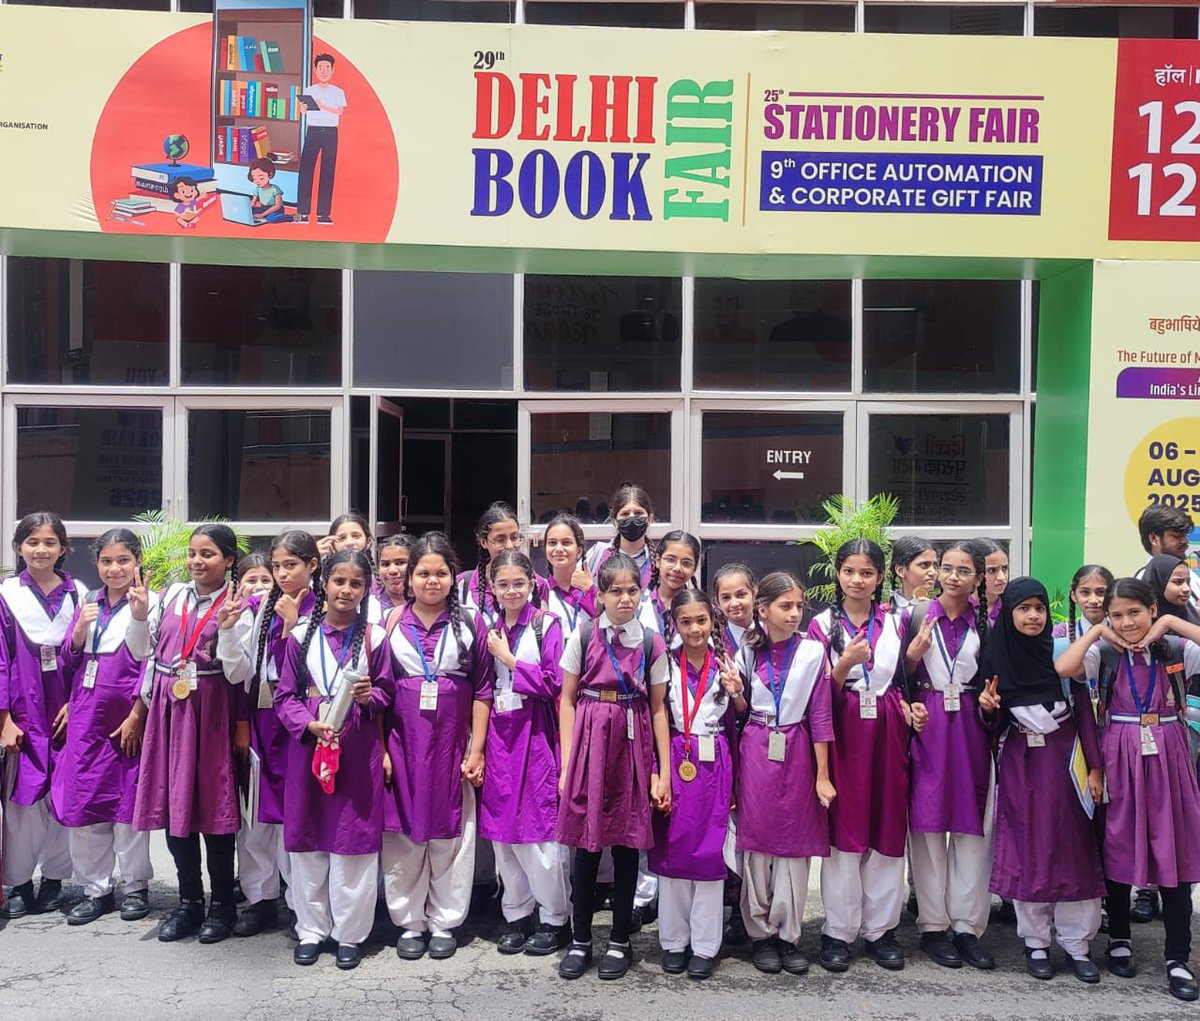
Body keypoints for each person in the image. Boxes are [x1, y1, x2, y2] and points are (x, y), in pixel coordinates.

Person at [1057, 577, 1200, 1001]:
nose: (1127, 622)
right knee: (1119, 844)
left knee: (1176, 850)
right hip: (1119, 755)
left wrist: (1172, 621)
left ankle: (1177, 957)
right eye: (1117, 614)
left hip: (1170, 754)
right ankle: (1119, 938)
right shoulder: (1105, 653)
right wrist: (1100, 631)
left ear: (1151, 609)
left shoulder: (1175, 649)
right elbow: (1065, 669)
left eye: (1135, 612)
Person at [128, 523, 249, 944]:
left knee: (213, 808)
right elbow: (142, 652)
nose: (198, 562)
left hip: (211, 710)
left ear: (229, 561)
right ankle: (188, 902)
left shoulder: (239, 605)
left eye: (209, 554)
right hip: (169, 709)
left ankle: (222, 906)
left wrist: (230, 629)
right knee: (173, 807)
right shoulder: (173, 597)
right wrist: (140, 617)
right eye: (194, 554)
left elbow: (238, 672)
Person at [809, 539, 924, 972]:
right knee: (846, 832)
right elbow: (816, 694)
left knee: (888, 827)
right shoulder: (821, 626)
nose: (858, 580)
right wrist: (844, 665)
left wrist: (913, 693)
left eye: (867, 573)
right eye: (850, 571)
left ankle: (882, 930)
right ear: (837, 574)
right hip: (845, 730)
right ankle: (838, 931)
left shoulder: (897, 621)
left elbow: (904, 679)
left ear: (880, 577)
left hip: (889, 729)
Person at [984, 577, 1106, 983]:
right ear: (1010, 614)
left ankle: (1076, 944)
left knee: (1074, 846)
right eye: (1024, 608)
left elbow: (1085, 714)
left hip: (1066, 760)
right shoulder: (996, 657)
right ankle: (1035, 942)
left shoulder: (1061, 655)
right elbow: (991, 725)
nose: (1033, 616)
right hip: (1023, 763)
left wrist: (1096, 768)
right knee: (1029, 846)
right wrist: (987, 709)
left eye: (1039, 608)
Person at [275, 548, 392, 969]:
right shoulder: (301, 634)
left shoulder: (375, 637)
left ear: (366, 589)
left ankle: (350, 933)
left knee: (352, 842)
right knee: (307, 840)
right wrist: (307, 724)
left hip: (356, 748)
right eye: (338, 581)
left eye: (356, 583)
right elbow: (285, 696)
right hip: (308, 746)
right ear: (323, 583)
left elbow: (387, 693)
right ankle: (311, 928)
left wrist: (369, 696)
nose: (346, 590)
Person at [556, 552, 670, 981]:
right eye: (615, 591)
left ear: (642, 593)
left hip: (631, 743)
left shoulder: (650, 643)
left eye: (632, 590)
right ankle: (581, 938)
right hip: (589, 743)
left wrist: (660, 770)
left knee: (626, 847)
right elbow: (566, 700)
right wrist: (568, 762)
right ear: (599, 594)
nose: (625, 599)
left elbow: (659, 710)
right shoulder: (583, 635)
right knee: (585, 849)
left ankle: (620, 940)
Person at [382, 532, 491, 962]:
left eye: (441, 573)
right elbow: (378, 697)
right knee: (405, 836)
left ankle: (445, 920)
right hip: (402, 743)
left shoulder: (470, 624)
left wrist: (476, 749)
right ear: (408, 579)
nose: (432, 581)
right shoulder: (389, 625)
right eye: (423, 573)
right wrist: (383, 752)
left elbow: (483, 690)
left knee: (452, 836)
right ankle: (409, 921)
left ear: (453, 577)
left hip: (451, 743)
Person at [218, 530, 321, 938]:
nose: (281, 573)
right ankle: (260, 898)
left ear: (312, 565)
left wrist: (294, 629)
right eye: (276, 566)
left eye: (290, 565)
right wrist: (227, 631)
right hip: (262, 717)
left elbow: (320, 673)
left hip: (298, 718)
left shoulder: (326, 605)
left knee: (294, 815)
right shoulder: (260, 608)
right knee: (257, 814)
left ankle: (299, 905)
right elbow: (239, 671)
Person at [731, 571, 834, 977]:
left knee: (794, 842)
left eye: (798, 607)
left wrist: (823, 775)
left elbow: (822, 716)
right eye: (785, 606)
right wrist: (736, 693)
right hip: (756, 747)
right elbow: (737, 713)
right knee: (757, 842)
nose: (794, 614)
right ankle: (761, 935)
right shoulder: (747, 652)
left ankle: (789, 935)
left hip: (797, 748)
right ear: (763, 609)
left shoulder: (813, 652)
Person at [53, 530, 156, 925]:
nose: (115, 569)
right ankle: (96, 888)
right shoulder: (87, 601)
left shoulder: (151, 602)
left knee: (127, 805)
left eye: (123, 561)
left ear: (137, 563)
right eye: (107, 562)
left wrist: (137, 715)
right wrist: (79, 629)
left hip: (126, 715)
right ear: (97, 564)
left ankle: (134, 886)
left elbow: (152, 664)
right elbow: (68, 658)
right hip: (86, 715)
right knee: (85, 801)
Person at [903, 540, 997, 970]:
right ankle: (933, 926)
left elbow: (997, 676)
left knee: (972, 831)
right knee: (926, 830)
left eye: (964, 570)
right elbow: (893, 678)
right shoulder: (915, 616)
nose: (953, 576)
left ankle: (967, 926)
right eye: (947, 567)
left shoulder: (987, 622)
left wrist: (992, 708)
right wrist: (912, 658)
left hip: (972, 726)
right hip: (929, 722)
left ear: (979, 578)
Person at [479, 551, 572, 957]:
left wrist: (511, 660)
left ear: (532, 585)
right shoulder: (489, 628)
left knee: (539, 836)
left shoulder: (546, 624)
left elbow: (555, 683)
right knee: (504, 835)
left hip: (535, 737)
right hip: (500, 738)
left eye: (519, 583)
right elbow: (481, 686)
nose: (512, 590)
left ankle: (555, 919)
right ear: (493, 589)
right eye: (503, 584)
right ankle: (517, 914)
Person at [0, 513, 89, 918]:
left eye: (50, 542)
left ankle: (55, 879)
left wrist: (79, 703)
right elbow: (0, 661)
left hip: (69, 707)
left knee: (63, 796)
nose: (41, 549)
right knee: (22, 800)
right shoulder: (6, 596)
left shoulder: (81, 595)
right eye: (32, 541)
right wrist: (4, 720)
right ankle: (18, 882)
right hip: (23, 708)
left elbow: (92, 656)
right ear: (18, 547)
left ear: (63, 549)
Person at [648, 590, 740, 980]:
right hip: (675, 757)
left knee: (709, 855)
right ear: (674, 625)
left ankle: (704, 945)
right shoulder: (664, 664)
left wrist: (737, 694)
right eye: (685, 622)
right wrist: (657, 774)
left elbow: (740, 724)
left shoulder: (727, 664)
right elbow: (654, 718)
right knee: (673, 854)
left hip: (714, 762)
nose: (694, 629)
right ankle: (673, 940)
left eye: (701, 620)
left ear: (712, 622)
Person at [458, 502, 548, 625]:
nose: (510, 546)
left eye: (514, 537)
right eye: (500, 540)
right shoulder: (463, 584)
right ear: (483, 542)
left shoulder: (538, 584)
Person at [295, 52, 346, 226]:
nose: (324, 71)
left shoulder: (338, 92)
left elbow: (339, 112)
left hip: (331, 132)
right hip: (313, 131)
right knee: (306, 170)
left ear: (332, 71)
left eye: (327, 68)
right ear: (315, 70)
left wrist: (322, 106)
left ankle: (323, 214)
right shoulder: (309, 90)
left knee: (328, 171)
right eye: (320, 68)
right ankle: (302, 212)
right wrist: (302, 109)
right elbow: (305, 111)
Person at [583, 482, 656, 586]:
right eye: (625, 514)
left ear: (649, 519)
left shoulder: (659, 561)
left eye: (638, 513)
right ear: (614, 521)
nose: (631, 518)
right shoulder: (597, 555)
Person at [542, 513, 597, 641]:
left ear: (579, 551)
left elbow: (610, 621)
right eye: (552, 543)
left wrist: (591, 590)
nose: (559, 549)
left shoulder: (591, 591)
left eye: (566, 543)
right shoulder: (540, 592)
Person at [639, 531, 701, 642]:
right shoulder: (638, 604)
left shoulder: (703, 609)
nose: (677, 568)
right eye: (671, 560)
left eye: (686, 563)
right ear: (658, 561)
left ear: (694, 569)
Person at [1052, 565, 1114, 643]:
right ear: (1074, 596)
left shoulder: (1122, 631)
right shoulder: (1062, 633)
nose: (1093, 600)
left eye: (1101, 592)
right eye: (1085, 592)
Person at [711, 562, 756, 657]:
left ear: (754, 594)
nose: (734, 603)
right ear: (718, 603)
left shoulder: (771, 635)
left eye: (741, 595)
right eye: (726, 598)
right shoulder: (714, 642)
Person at [1144, 554, 1200, 625]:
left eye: (1188, 582)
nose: (1187, 589)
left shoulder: (1190, 615)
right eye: (1178, 582)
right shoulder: (1142, 625)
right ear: (1159, 582)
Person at [890, 537, 938, 612]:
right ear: (901, 570)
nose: (933, 572)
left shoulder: (940, 611)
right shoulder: (882, 613)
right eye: (924, 565)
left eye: (935, 566)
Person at [376, 534, 415, 615]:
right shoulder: (369, 605)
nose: (392, 570)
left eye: (400, 563)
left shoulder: (427, 604)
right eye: (385, 564)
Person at [974, 538, 1009, 627]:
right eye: (992, 570)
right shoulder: (957, 607)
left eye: (1004, 569)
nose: (1002, 577)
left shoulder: (1013, 606)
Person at [247, 158, 287, 223]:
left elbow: (278, 205)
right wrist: (247, 210)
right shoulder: (258, 189)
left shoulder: (275, 189)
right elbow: (253, 203)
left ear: (270, 175)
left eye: (261, 178)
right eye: (254, 178)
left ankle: (290, 217)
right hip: (263, 208)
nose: (257, 181)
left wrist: (262, 215)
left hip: (275, 210)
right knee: (249, 211)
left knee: (272, 219)